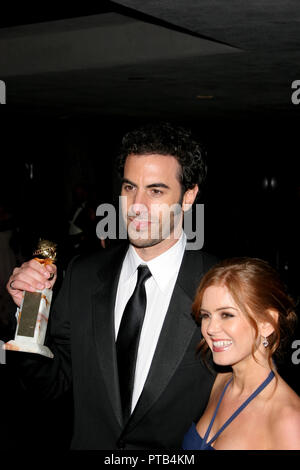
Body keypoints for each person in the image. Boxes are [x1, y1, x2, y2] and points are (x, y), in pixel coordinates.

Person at [5, 122, 218, 450]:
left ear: (189, 196)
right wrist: (29, 310)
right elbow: (53, 384)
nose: (136, 205)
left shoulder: (220, 284)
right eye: (130, 187)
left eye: (156, 191)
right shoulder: (84, 274)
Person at [182, 257, 300, 450]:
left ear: (267, 323)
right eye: (206, 315)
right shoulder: (220, 382)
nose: (210, 328)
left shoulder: (289, 421)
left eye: (226, 315)